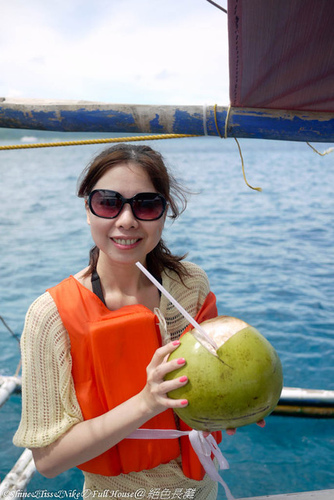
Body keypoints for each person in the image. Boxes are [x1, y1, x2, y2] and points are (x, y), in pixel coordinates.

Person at [13, 144, 222, 499]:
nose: (126, 220)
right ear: (88, 210)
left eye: (146, 204)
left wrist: (238, 405)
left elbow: (211, 383)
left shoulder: (190, 286)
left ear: (164, 212)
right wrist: (146, 401)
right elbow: (48, 461)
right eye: (109, 202)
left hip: (202, 490)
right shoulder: (49, 317)